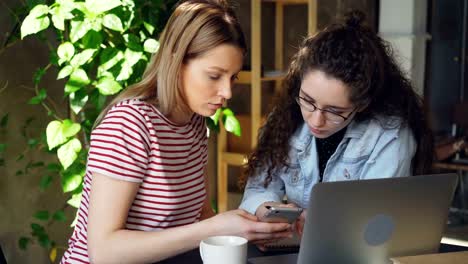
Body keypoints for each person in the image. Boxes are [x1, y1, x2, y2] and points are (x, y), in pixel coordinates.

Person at [61, 1, 292, 263]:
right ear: (176, 61)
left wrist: (247, 228)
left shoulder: (193, 124)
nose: (227, 93)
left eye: (233, 77)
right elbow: (103, 252)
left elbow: (200, 217)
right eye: (215, 76)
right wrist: (214, 228)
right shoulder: (128, 125)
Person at [239, 10, 434, 239]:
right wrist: (267, 211)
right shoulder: (285, 118)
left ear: (362, 104)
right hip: (295, 248)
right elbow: (257, 189)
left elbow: (374, 220)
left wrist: (323, 219)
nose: (316, 120)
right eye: (308, 101)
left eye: (334, 111)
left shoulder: (389, 136)